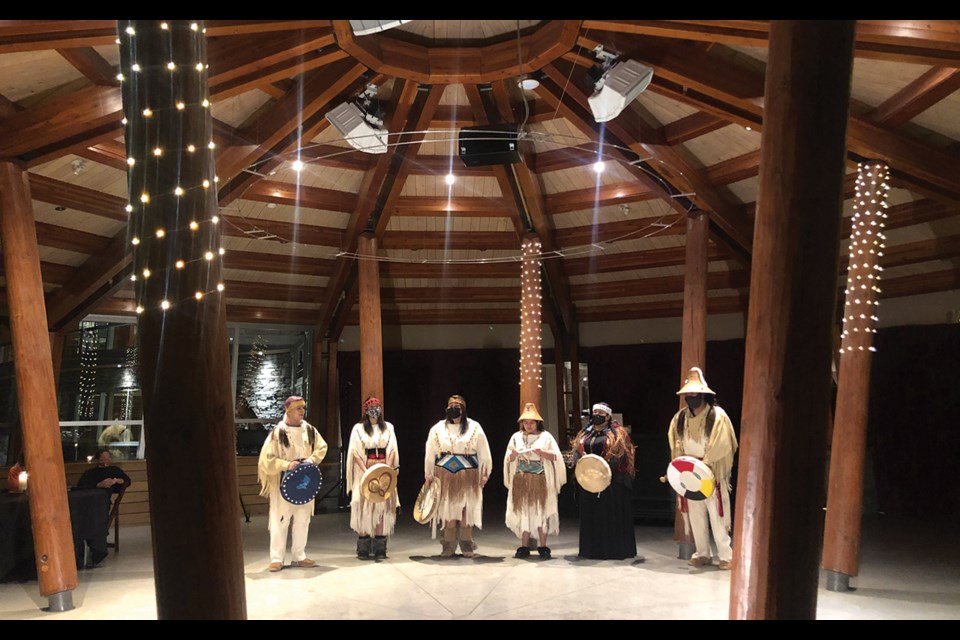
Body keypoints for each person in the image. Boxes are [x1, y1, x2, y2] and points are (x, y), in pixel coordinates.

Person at [667, 366, 739, 570]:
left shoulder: (718, 416)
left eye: (695, 394)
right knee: (695, 515)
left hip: (711, 472)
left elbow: (722, 443)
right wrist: (681, 467)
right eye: (688, 394)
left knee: (718, 515)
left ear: (703, 395)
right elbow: (676, 442)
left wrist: (705, 465)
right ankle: (702, 552)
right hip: (689, 473)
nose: (691, 398)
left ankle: (726, 555)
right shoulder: (679, 418)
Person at [257, 395, 328, 572]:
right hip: (283, 483)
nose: (302, 411)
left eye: (303, 408)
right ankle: (276, 558)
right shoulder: (278, 433)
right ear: (289, 410)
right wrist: (287, 464)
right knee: (280, 520)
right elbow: (267, 459)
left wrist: (311, 460)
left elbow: (322, 447)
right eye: (298, 408)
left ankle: (299, 556)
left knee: (303, 519)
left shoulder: (310, 430)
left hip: (304, 483)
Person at [423, 394, 492, 558]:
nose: (454, 409)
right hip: (444, 474)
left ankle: (467, 545)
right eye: (451, 406)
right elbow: (430, 452)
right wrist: (428, 474)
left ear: (463, 410)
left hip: (468, 475)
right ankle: (448, 546)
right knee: (448, 509)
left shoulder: (474, 427)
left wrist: (485, 474)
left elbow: (484, 452)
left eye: (457, 406)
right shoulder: (438, 428)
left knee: (466, 509)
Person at [570, 402, 637, 560]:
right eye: (595, 412)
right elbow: (577, 452)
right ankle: (591, 550)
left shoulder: (617, 433)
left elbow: (622, 454)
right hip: (589, 481)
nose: (597, 415)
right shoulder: (585, 434)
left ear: (608, 416)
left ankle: (613, 550)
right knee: (591, 515)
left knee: (609, 515)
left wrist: (604, 468)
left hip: (612, 483)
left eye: (601, 412)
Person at [503, 402, 566, 559]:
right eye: (525, 422)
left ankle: (543, 546)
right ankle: (524, 546)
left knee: (541, 512)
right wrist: (514, 455)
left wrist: (543, 453)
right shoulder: (516, 437)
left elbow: (556, 457)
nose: (528, 425)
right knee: (524, 511)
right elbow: (508, 459)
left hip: (540, 480)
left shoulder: (546, 437)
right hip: (521, 480)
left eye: (531, 422)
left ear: (538, 422)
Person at [346, 397, 399, 560]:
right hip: (365, 470)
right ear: (366, 410)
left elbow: (392, 449)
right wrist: (366, 472)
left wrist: (386, 469)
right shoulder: (358, 428)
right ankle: (363, 544)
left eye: (377, 406)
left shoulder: (388, 427)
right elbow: (355, 452)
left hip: (383, 470)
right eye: (372, 407)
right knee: (364, 507)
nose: (375, 410)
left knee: (382, 507)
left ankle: (380, 545)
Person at [75, 448, 132, 568]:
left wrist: (116, 480)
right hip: (86, 502)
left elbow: (127, 480)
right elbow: (81, 486)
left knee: (97, 518)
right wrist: (98, 484)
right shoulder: (90, 473)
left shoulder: (114, 470)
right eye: (103, 457)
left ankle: (96, 547)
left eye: (108, 457)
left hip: (102, 503)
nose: (106, 459)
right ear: (98, 459)